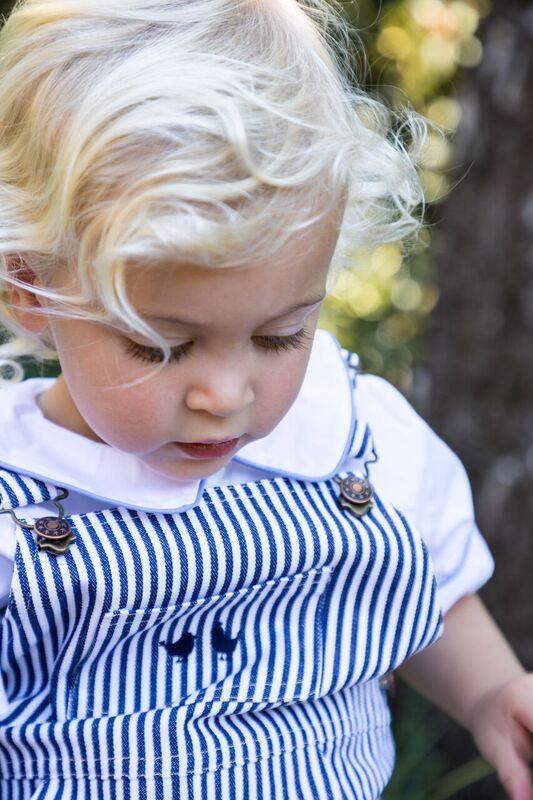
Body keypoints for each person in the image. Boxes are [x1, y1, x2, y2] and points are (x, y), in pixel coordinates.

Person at [0, 1, 531, 798]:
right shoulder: (15, 514)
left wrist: (493, 696)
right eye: (162, 346)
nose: (224, 396)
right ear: (30, 287)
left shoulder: (356, 443)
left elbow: (424, 595)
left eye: (281, 336)